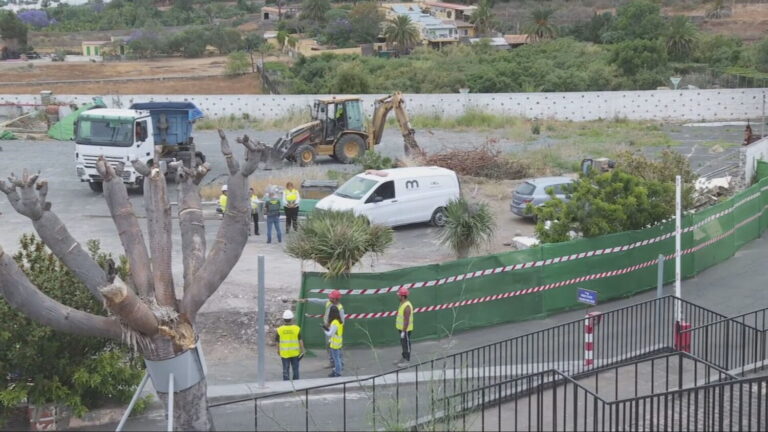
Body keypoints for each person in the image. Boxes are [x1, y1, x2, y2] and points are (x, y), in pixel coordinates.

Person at [298, 290, 345, 369]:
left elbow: (342, 322)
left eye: (331, 298)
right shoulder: (328, 302)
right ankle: (333, 363)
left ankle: (339, 364)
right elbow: (318, 301)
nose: (329, 298)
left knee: (336, 348)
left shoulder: (340, 309)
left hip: (334, 331)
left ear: (336, 299)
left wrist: (332, 327)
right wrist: (308, 300)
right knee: (329, 346)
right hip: (328, 328)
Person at [276, 309, 305, 381]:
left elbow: (277, 341)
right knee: (295, 369)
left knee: (285, 369)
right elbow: (300, 340)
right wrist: (302, 350)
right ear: (292, 319)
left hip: (284, 353)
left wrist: (278, 350)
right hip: (295, 353)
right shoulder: (296, 328)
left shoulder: (279, 329)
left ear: (283, 319)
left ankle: (286, 384)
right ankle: (296, 382)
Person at [322, 305, 344, 377]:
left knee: (336, 359)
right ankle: (336, 370)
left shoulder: (335, 322)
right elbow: (334, 331)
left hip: (335, 343)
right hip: (338, 341)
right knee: (338, 358)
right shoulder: (339, 321)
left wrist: (324, 330)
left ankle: (337, 372)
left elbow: (330, 333)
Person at [395, 287, 414, 367]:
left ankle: (407, 361)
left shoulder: (407, 307)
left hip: (405, 330)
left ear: (402, 296)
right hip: (402, 329)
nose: (398, 296)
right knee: (403, 344)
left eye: (399, 295)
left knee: (406, 344)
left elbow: (406, 320)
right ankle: (403, 357)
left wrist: (403, 331)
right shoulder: (402, 303)